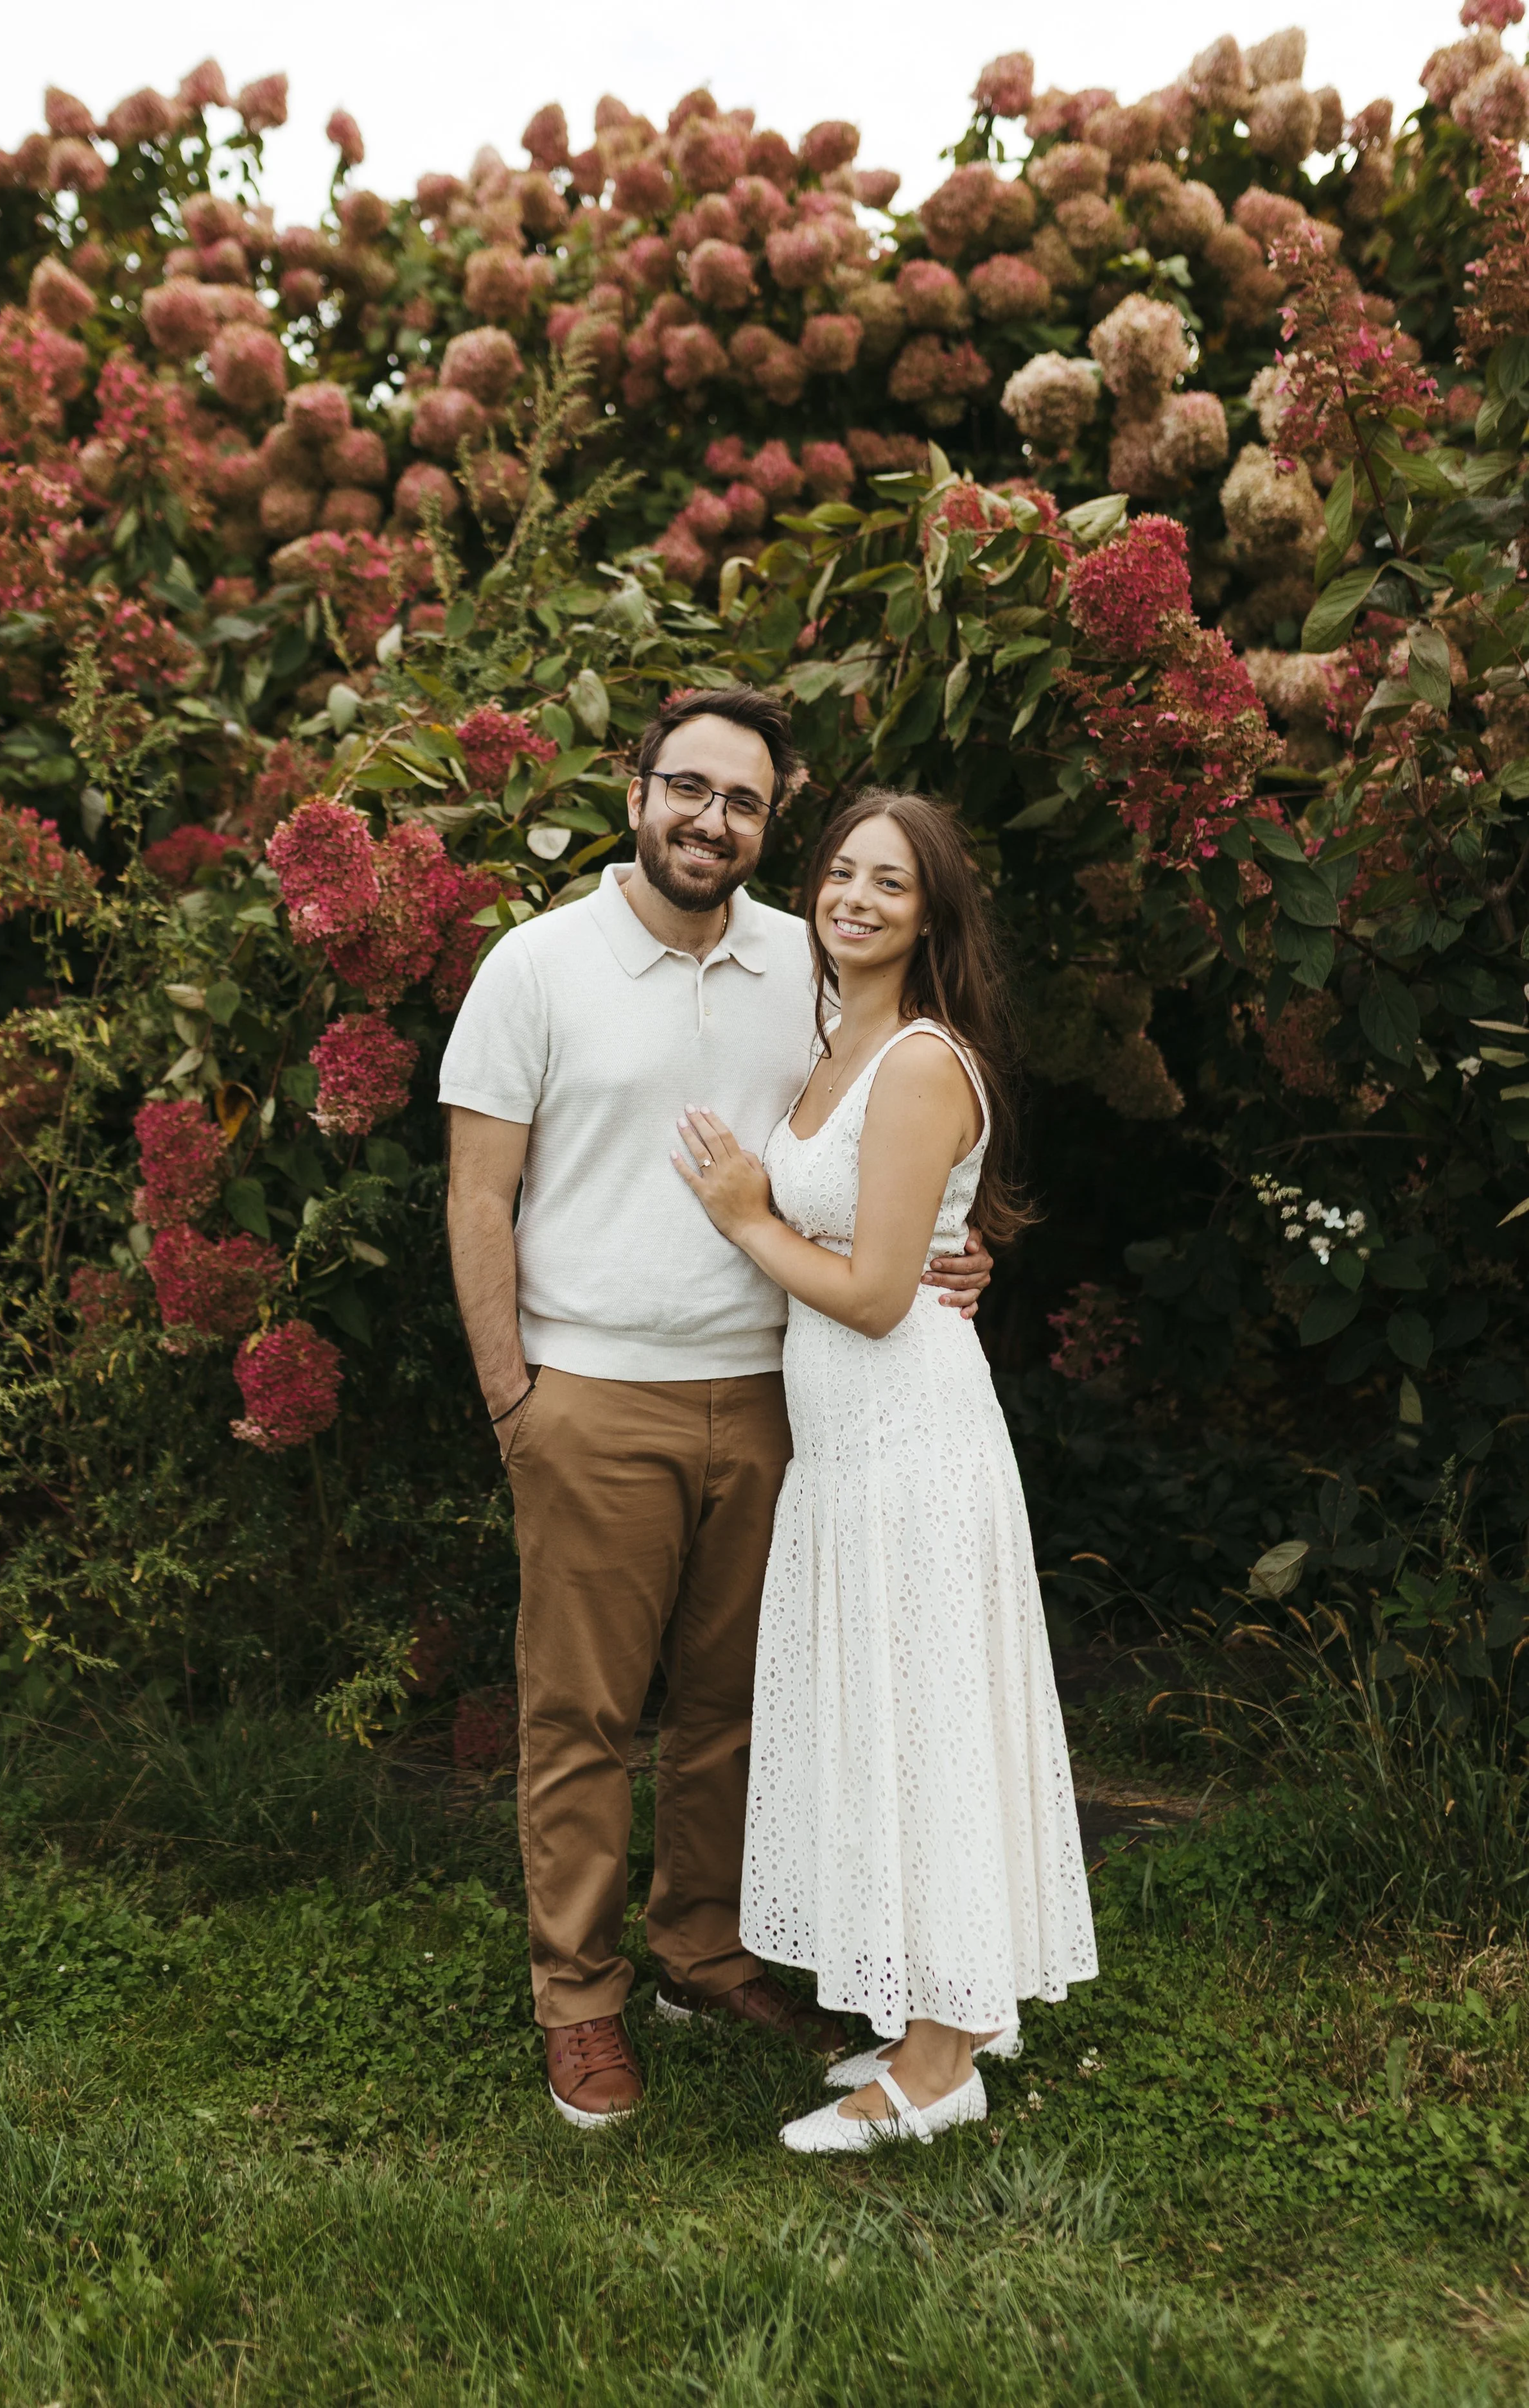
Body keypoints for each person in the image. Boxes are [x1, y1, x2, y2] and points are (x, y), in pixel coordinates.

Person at [439, 691, 993, 2128]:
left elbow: (875, 1142)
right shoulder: (536, 964)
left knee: (739, 1711)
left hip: (773, 1400)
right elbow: (476, 1195)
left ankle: (702, 1949)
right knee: (580, 1714)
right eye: (684, 789)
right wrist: (513, 1397)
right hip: (590, 1393)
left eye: (741, 802)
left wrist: (951, 1247)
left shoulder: (805, 968)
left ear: (767, 824)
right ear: (634, 794)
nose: (709, 820)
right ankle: (583, 2000)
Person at [672, 787, 1097, 2151]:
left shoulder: (916, 1058)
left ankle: (937, 2068)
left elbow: (867, 1296)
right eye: (841, 873)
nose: (854, 899)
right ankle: (940, 2003)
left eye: (889, 885)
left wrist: (742, 1215)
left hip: (907, 1433)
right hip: (845, 1445)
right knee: (895, 1721)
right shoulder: (836, 1041)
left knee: (929, 1727)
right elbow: (903, 1244)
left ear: (931, 917)